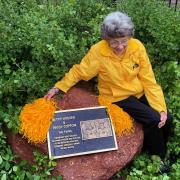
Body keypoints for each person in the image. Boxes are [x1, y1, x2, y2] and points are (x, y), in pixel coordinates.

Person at [45, 11, 172, 172]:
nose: (119, 46)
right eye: (114, 42)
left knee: (167, 118)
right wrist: (59, 86)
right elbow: (80, 71)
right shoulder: (98, 52)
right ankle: (157, 156)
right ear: (106, 39)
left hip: (137, 91)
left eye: (124, 41)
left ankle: (151, 145)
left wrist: (161, 108)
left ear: (129, 37)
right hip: (117, 96)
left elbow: (148, 79)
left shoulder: (137, 46)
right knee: (153, 119)